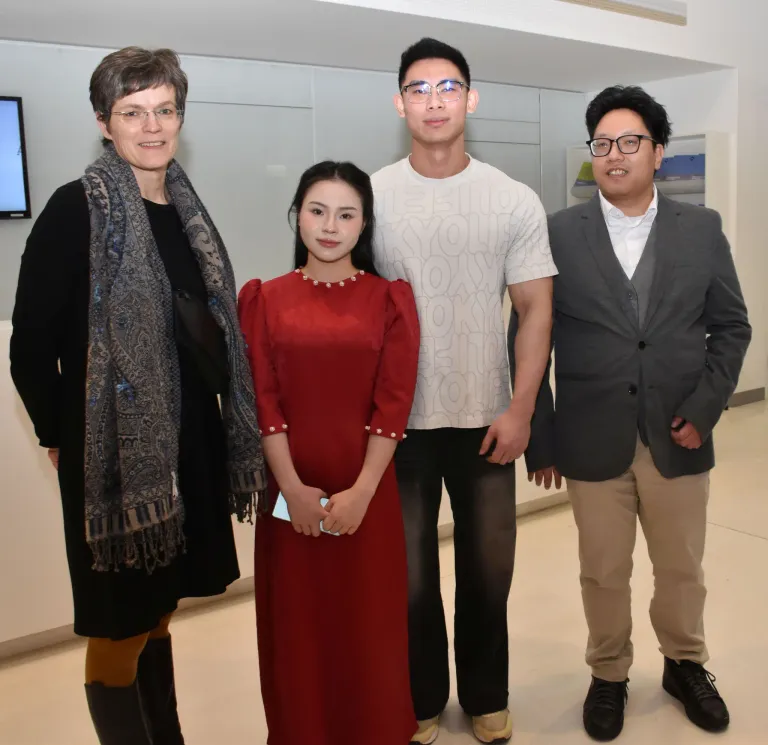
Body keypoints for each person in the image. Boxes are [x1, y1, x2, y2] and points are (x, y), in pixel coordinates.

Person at [10, 47, 266, 745]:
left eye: (164, 110)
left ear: (180, 116)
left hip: (191, 443)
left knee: (159, 612)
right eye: (132, 112)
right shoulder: (75, 210)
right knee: (121, 623)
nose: (152, 127)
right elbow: (29, 346)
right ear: (104, 122)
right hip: (115, 459)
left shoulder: (187, 209)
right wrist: (62, 436)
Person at [519, 86, 751, 740]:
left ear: (658, 151)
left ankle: (685, 663)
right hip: (590, 434)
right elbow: (531, 336)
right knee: (602, 569)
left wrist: (705, 408)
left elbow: (732, 327)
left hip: (679, 431)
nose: (614, 155)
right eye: (602, 144)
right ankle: (608, 671)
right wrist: (541, 436)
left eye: (629, 142)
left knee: (681, 567)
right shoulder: (559, 232)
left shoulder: (700, 229)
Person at [370, 38, 557, 744]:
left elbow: (535, 310)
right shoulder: (371, 197)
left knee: (488, 573)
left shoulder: (512, 198)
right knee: (409, 579)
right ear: (400, 104)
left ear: (470, 99)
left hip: (488, 421)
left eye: (448, 87)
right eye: (418, 89)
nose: (434, 101)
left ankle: (486, 696)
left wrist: (521, 409)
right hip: (398, 427)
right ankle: (419, 699)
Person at [238, 160, 420, 745]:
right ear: (297, 216)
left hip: (368, 493)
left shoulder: (389, 299)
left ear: (364, 224)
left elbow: (393, 403)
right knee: (299, 629)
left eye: (346, 215)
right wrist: (292, 489)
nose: (330, 226)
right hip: (289, 492)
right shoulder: (264, 299)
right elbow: (263, 401)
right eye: (317, 211)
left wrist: (362, 492)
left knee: (369, 626)